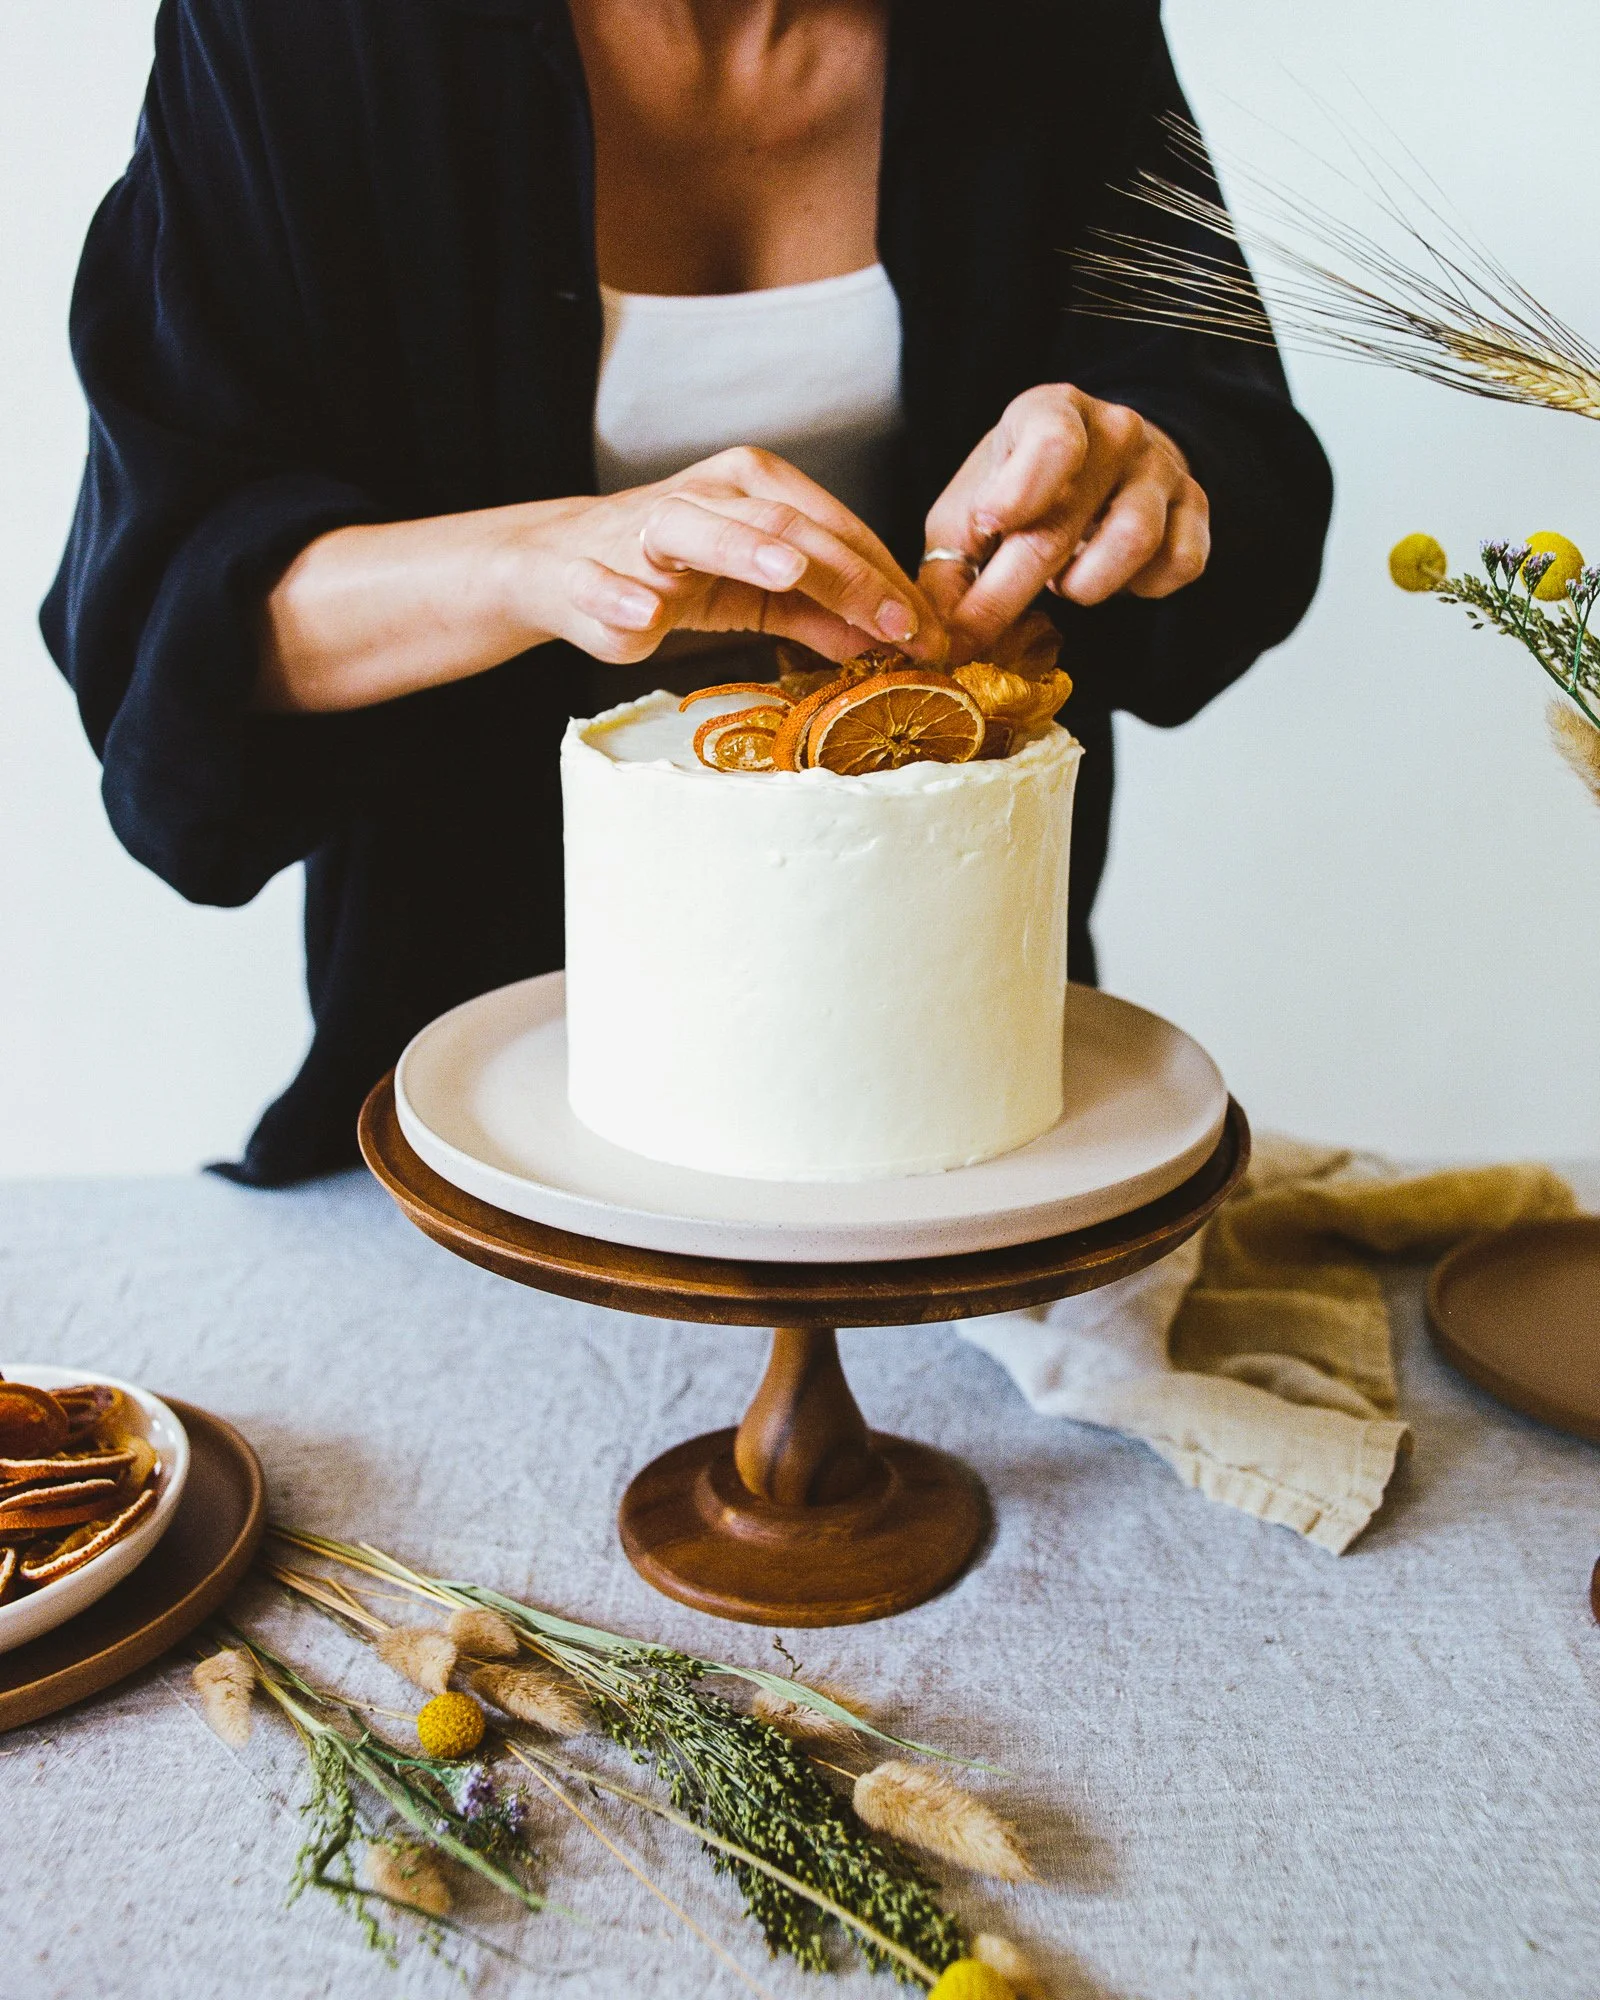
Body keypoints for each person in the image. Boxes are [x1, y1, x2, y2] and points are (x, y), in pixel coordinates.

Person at [43, 0, 1332, 1186]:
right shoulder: (301, 32)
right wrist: (540, 561)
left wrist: (1144, 470)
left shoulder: (1048, 24)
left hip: (955, 1077)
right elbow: (169, 606)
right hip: (463, 1051)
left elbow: (1235, 443)